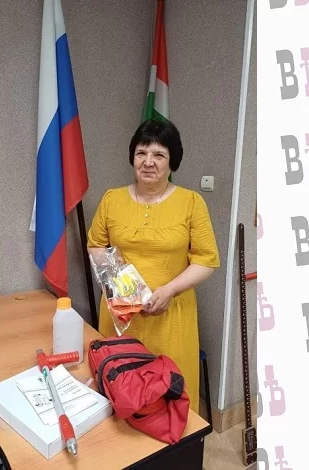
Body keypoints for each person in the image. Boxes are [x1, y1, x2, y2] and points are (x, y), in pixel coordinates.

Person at [87, 119, 220, 415]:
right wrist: (126, 286)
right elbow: (95, 245)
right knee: (119, 385)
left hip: (170, 314)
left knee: (167, 395)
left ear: (172, 160)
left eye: (159, 154)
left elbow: (206, 259)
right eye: (141, 153)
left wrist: (169, 290)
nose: (148, 162)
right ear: (132, 157)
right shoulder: (111, 199)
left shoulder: (191, 202)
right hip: (121, 312)